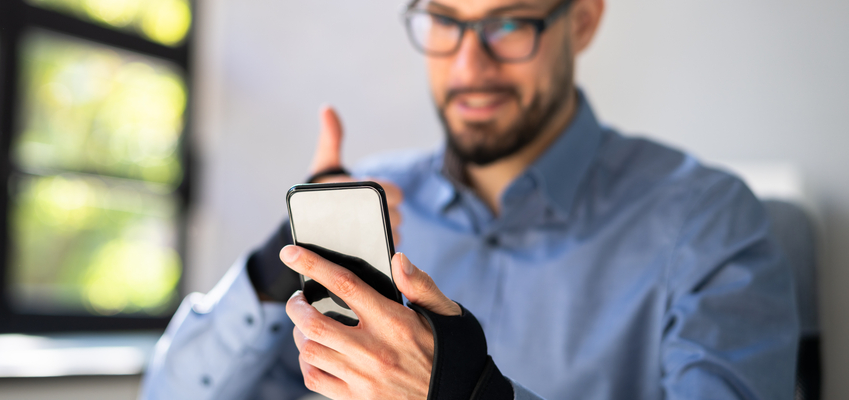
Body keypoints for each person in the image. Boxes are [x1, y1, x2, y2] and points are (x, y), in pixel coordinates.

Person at [140, 0, 799, 398]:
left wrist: (467, 396)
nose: (468, 66)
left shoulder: (707, 219)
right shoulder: (371, 207)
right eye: (445, 22)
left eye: (508, 24)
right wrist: (268, 268)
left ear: (583, 21)